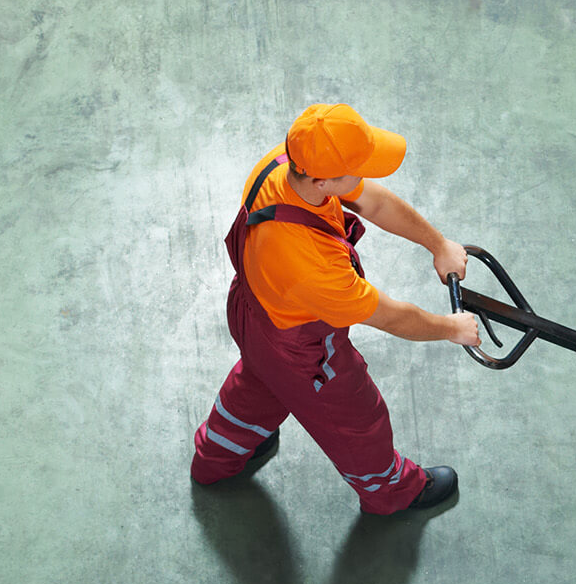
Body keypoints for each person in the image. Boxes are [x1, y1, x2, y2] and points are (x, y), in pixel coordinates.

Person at [190, 104, 480, 515]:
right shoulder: (312, 267)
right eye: (358, 168)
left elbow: (373, 203)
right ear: (324, 180)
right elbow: (392, 316)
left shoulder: (283, 163)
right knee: (357, 421)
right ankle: (391, 493)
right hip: (302, 355)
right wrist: (451, 328)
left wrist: (438, 244)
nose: (365, 175)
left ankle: (215, 458)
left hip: (253, 312)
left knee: (258, 383)